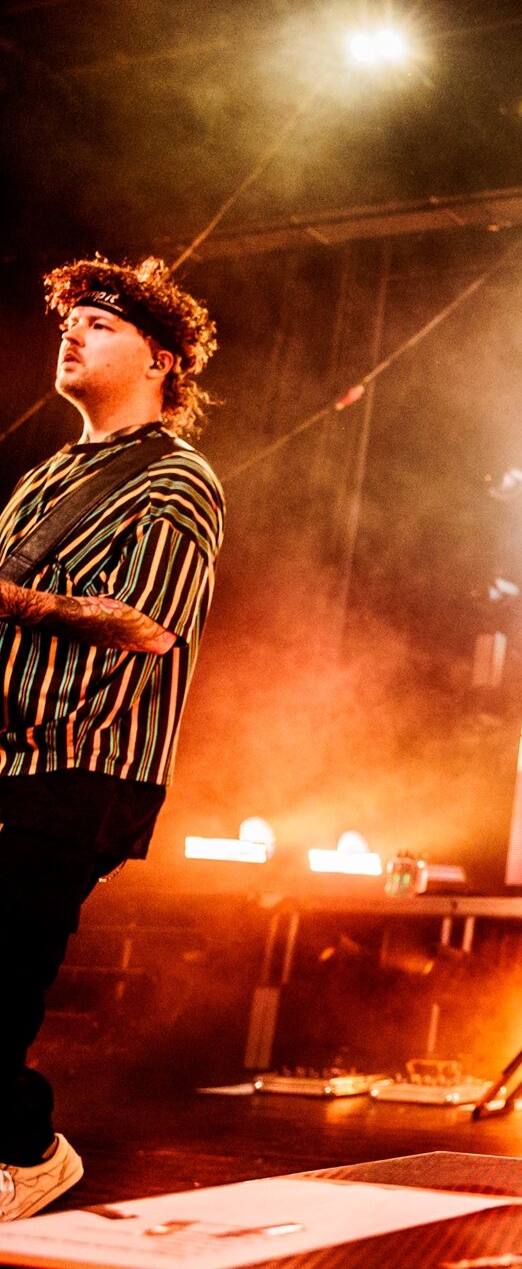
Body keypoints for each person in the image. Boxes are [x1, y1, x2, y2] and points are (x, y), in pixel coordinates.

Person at [0, 257, 222, 1221]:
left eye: (100, 324)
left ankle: (28, 1153)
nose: (73, 333)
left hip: (83, 762)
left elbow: (148, 625)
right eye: (70, 321)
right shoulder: (45, 477)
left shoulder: (176, 476)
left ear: (161, 361)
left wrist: (14, 601)